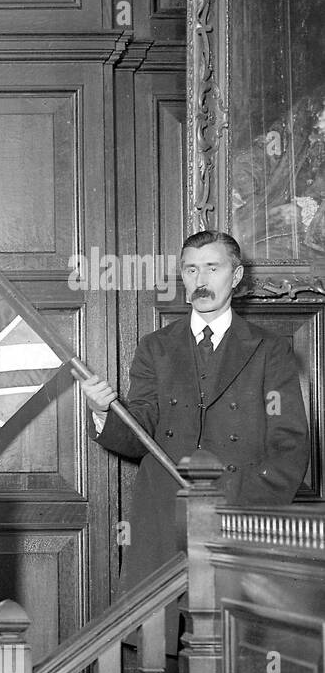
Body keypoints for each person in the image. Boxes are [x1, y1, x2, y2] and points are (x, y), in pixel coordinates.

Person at [80, 229, 309, 592]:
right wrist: (103, 411)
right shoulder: (156, 348)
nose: (200, 281)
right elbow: (141, 432)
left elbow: (289, 444)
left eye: (212, 268)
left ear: (235, 277)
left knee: (232, 635)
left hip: (240, 517)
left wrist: (242, 507)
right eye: (190, 270)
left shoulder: (270, 350)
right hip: (163, 518)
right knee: (162, 637)